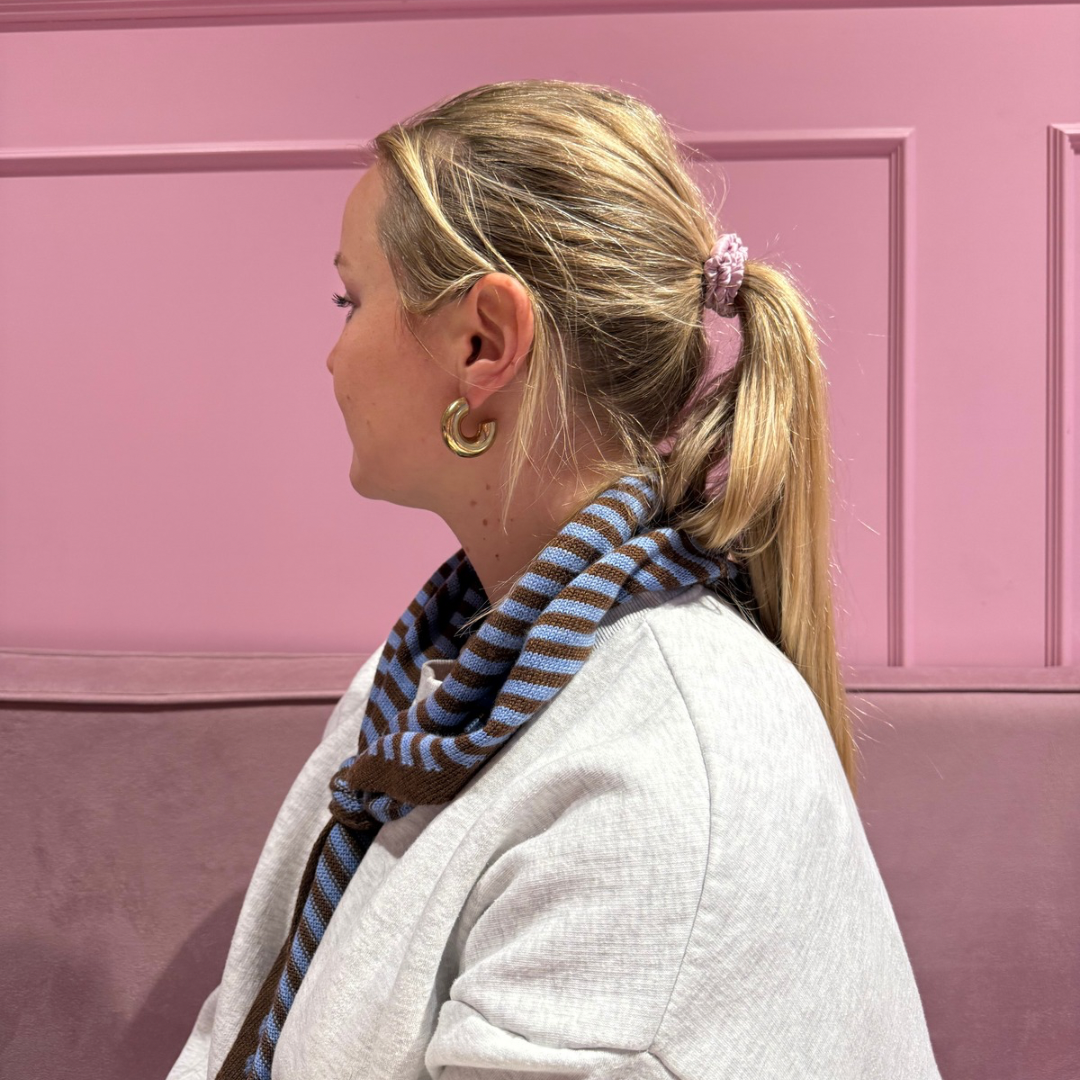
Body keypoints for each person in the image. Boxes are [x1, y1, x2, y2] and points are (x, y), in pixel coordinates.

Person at [167, 79, 942, 1080]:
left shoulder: (645, 790)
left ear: (483, 343)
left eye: (349, 302)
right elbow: (237, 1025)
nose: (332, 355)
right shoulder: (435, 674)